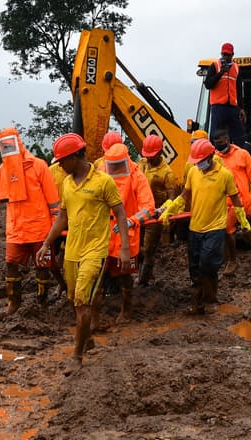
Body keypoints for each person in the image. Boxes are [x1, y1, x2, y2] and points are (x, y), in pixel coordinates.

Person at [37, 133, 132, 369]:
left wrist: (125, 248)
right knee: (73, 299)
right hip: (72, 251)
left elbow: (120, 213)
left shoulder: (103, 182)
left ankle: (76, 356)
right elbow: (63, 216)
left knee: (82, 300)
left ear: (76, 156)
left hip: (95, 251)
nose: (59, 165)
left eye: (62, 161)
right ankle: (87, 338)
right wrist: (47, 244)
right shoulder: (67, 183)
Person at [156, 138, 248, 314]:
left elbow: (236, 200)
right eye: (196, 162)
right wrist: (170, 210)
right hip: (195, 228)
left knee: (207, 264)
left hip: (215, 228)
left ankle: (211, 298)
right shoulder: (193, 173)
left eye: (201, 161)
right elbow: (184, 196)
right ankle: (199, 303)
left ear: (211, 156)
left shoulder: (225, 176)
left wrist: (244, 223)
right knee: (195, 267)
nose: (198, 164)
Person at [0, 127, 61, 314]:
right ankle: (13, 304)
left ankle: (42, 303)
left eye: (10, 145)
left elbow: (53, 199)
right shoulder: (2, 171)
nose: (8, 149)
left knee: (43, 267)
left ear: (18, 143)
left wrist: (57, 226)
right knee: (11, 265)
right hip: (16, 228)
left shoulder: (38, 166)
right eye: (4, 146)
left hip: (40, 228)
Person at [102, 142, 155, 323]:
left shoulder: (137, 176)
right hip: (103, 233)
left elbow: (148, 207)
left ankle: (126, 309)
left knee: (125, 274)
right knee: (98, 273)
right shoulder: (101, 173)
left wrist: (131, 221)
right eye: (112, 166)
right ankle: (96, 312)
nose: (115, 169)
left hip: (127, 234)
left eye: (118, 165)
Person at [212, 129, 251, 276]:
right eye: (216, 144)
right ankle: (229, 259)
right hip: (223, 202)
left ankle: (232, 259)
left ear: (228, 140)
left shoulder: (242, 155)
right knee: (225, 230)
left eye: (221, 143)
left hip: (241, 201)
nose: (219, 146)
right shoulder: (215, 158)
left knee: (228, 230)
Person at [137, 133, 183, 286]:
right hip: (139, 213)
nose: (149, 158)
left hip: (155, 215)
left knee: (149, 248)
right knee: (136, 246)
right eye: (147, 155)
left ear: (160, 153)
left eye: (153, 155)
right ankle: (143, 273)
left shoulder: (167, 173)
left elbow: (172, 197)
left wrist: (162, 210)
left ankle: (143, 280)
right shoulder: (141, 164)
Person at [203, 42, 246, 147]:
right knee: (215, 135)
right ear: (221, 54)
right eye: (224, 54)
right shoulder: (215, 66)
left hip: (232, 107)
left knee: (239, 135)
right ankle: (214, 157)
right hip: (218, 107)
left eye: (228, 55)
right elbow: (208, 84)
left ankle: (240, 156)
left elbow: (239, 90)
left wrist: (241, 108)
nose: (226, 57)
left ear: (232, 55)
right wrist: (221, 72)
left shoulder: (236, 68)